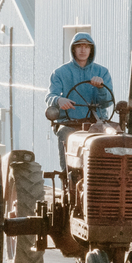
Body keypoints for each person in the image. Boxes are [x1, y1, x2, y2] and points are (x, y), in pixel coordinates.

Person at [45, 32, 114, 170]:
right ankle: (68, 177)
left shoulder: (102, 72)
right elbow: (50, 97)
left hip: (97, 123)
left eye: (86, 47)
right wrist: (59, 100)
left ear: (91, 50)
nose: (83, 50)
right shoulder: (60, 72)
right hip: (70, 122)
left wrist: (101, 88)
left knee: (113, 137)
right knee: (65, 134)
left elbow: (107, 102)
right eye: (79, 46)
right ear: (73, 49)